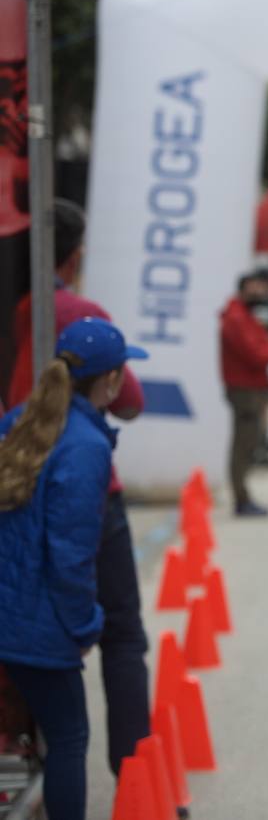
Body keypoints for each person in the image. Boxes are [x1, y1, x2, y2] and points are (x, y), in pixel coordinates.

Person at [5, 199, 153, 777]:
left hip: (15, 480)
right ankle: (134, 770)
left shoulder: (14, 306)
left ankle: (36, 749)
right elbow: (132, 401)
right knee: (122, 636)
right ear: (74, 253)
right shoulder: (74, 311)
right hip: (84, 486)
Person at [0, 318, 148, 820]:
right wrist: (85, 626)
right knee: (68, 738)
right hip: (39, 627)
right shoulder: (86, 448)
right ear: (111, 380)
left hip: (9, 611)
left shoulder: (19, 421)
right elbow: (71, 557)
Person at [220, 269, 268, 516]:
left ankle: (243, 497)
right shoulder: (236, 317)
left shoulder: (244, 314)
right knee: (243, 444)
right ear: (245, 289)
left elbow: (259, 343)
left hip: (252, 387)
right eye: (257, 288)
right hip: (244, 389)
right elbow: (254, 353)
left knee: (248, 441)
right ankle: (241, 499)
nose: (262, 293)